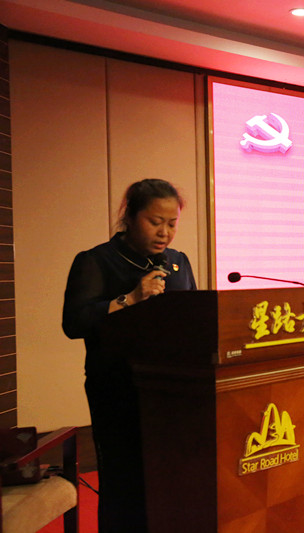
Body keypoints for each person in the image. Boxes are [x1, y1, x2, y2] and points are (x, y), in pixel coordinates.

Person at [62, 179, 197, 532]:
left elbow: (194, 317)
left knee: (173, 477)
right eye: (155, 222)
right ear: (130, 216)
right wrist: (130, 299)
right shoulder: (97, 261)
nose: (165, 232)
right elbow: (74, 323)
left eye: (172, 223)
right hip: (117, 389)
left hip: (173, 390)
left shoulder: (178, 262)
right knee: (124, 482)